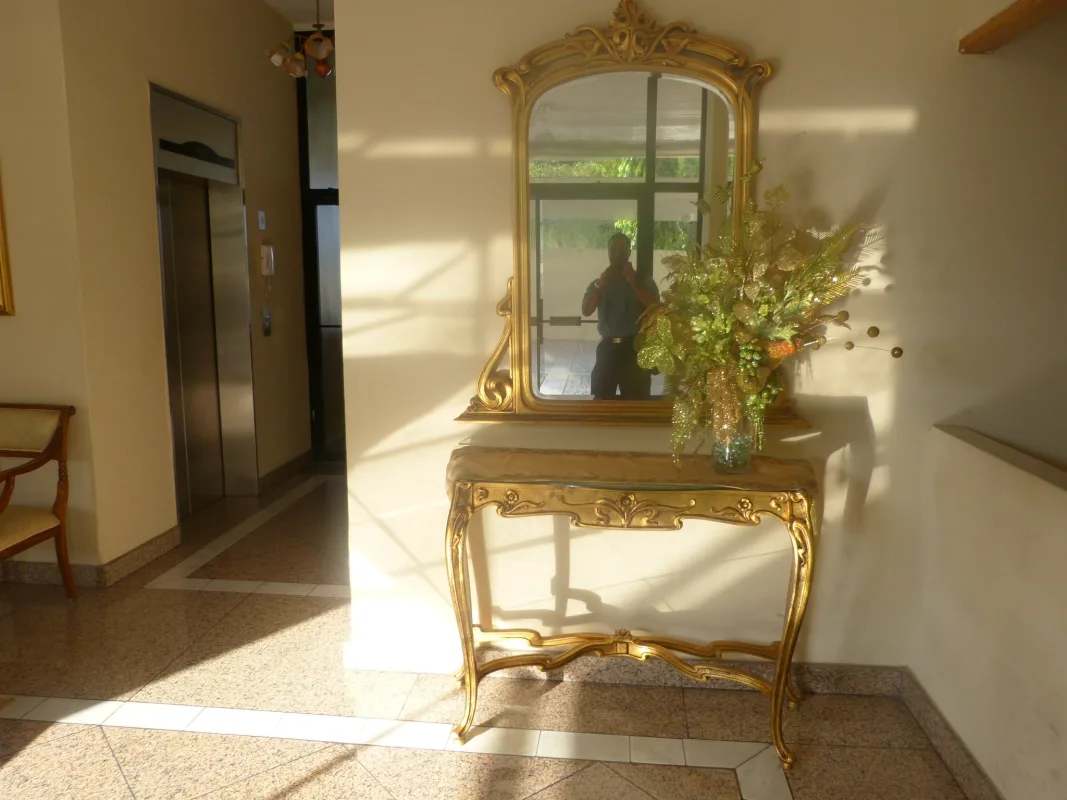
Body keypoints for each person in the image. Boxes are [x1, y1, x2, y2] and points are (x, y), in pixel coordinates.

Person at [580, 232, 659, 399]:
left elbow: (656, 307)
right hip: (607, 349)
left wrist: (632, 282)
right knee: (601, 400)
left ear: (629, 252)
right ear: (608, 252)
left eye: (622, 250)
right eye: (613, 249)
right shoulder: (599, 283)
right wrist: (601, 286)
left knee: (636, 402)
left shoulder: (643, 280)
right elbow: (586, 310)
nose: (617, 254)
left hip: (635, 349)